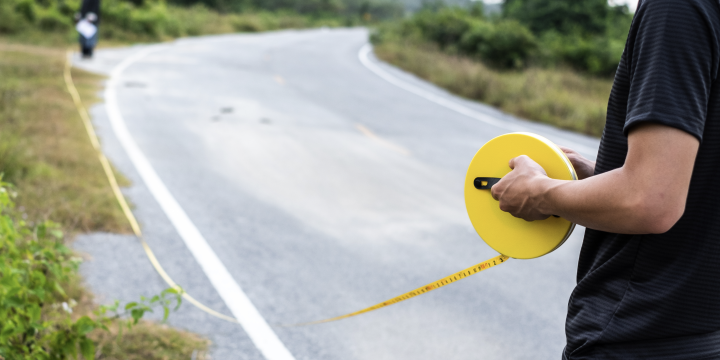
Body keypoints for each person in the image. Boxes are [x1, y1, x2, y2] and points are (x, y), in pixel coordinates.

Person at [490, 0, 720, 358]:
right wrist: (598, 175)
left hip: (642, 333)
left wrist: (540, 192)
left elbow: (650, 200)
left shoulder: (676, 8)